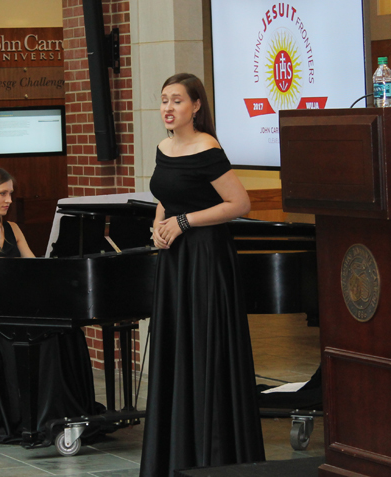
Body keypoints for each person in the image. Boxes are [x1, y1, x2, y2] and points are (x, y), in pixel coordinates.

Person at [139, 74, 265, 476]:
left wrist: (184, 222)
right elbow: (165, 195)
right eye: (163, 101)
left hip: (207, 262)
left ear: (196, 106)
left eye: (177, 101)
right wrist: (160, 225)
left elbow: (239, 202)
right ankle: (176, 452)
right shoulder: (163, 147)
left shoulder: (208, 148)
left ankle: (211, 455)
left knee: (204, 351)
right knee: (178, 350)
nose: (168, 108)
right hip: (175, 261)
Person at [0, 166, 97, 444]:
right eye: (3, 193)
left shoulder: (13, 228)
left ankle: (68, 414)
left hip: (16, 305)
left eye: (11, 193)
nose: (9, 199)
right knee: (37, 339)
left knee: (65, 332)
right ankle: (32, 419)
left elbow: (33, 266)